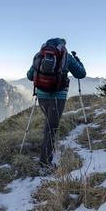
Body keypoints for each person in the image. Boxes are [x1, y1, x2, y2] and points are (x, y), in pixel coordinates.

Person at [27, 38, 86, 169]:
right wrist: (78, 61)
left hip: (41, 96)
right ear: (62, 45)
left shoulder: (39, 55)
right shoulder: (66, 56)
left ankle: (47, 152)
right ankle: (45, 163)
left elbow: (30, 76)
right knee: (51, 128)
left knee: (49, 125)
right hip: (58, 97)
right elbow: (81, 74)